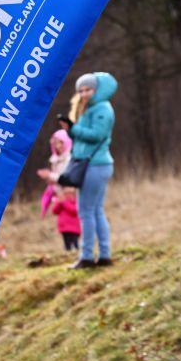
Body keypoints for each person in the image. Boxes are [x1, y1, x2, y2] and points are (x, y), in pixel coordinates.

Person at [68, 72, 117, 269]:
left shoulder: (102, 108)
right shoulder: (90, 108)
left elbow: (98, 134)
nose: (84, 94)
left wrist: (73, 129)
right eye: (80, 91)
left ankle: (87, 257)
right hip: (94, 165)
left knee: (86, 211)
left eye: (88, 90)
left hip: (96, 165)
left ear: (96, 89)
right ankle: (104, 255)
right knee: (96, 210)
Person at [37, 129, 72, 218]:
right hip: (58, 195)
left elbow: (66, 178)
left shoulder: (70, 159)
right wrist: (49, 178)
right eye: (56, 143)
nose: (58, 146)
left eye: (61, 143)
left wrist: (49, 175)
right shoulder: (55, 159)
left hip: (69, 196)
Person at [51, 187, 81, 252]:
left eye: (70, 193)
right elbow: (55, 211)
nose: (68, 195)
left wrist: (64, 203)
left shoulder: (76, 202)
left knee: (74, 241)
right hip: (64, 227)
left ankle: (75, 251)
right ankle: (68, 251)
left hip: (74, 227)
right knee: (66, 242)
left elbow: (74, 211)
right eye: (65, 193)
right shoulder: (61, 202)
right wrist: (58, 203)